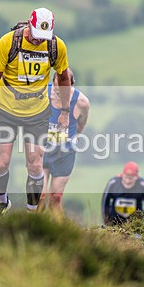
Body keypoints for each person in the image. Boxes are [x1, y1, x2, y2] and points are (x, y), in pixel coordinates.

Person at [0, 7, 71, 214]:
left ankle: (32, 213)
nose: (40, 41)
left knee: (35, 165)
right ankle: (2, 200)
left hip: (37, 113)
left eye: (45, 37)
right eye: (38, 36)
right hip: (5, 110)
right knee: (1, 162)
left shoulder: (56, 46)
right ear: (30, 25)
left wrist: (65, 111)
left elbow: (64, 78)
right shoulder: (8, 42)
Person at [39, 69, 90, 213]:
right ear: (52, 82)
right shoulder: (42, 93)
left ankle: (57, 230)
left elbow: (81, 123)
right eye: (56, 87)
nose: (58, 91)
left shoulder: (82, 102)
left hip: (64, 154)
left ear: (72, 85)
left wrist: (70, 139)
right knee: (39, 197)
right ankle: (34, 228)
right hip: (42, 151)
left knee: (55, 198)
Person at [101, 161, 144, 225]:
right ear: (122, 175)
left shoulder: (143, 186)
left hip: (134, 226)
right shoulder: (113, 183)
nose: (127, 181)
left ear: (136, 177)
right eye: (126, 177)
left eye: (130, 178)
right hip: (114, 224)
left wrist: (140, 224)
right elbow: (105, 204)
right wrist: (107, 222)